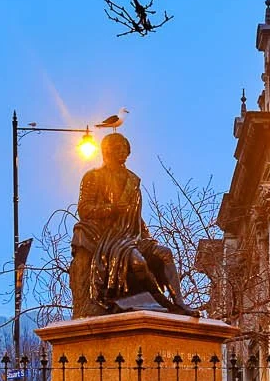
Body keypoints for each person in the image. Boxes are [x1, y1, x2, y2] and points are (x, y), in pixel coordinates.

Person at [67, 133, 192, 317]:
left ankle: (179, 303)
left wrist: (147, 237)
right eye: (119, 148)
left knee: (165, 253)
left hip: (133, 235)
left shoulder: (133, 181)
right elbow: (84, 208)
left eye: (125, 149)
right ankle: (157, 300)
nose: (123, 153)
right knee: (137, 261)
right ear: (107, 151)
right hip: (109, 237)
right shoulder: (93, 176)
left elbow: (137, 218)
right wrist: (111, 209)